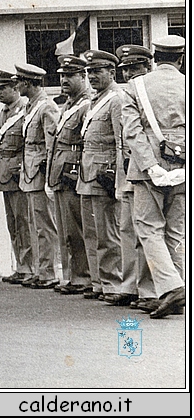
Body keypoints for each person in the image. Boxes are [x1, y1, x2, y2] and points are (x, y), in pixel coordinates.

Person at [119, 35, 186, 319]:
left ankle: (172, 286)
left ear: (155, 58)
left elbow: (132, 132)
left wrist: (150, 167)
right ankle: (179, 290)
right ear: (181, 58)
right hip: (185, 166)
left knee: (148, 228)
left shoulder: (135, 87)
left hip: (149, 166)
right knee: (176, 231)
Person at [78, 50, 128, 304]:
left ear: (112, 72)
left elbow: (122, 142)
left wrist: (119, 178)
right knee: (92, 232)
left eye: (97, 71)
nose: (92, 76)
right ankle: (99, 281)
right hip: (87, 173)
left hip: (103, 174)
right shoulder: (95, 100)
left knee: (108, 233)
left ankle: (114, 283)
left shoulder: (117, 99)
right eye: (89, 72)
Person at [114, 44, 158, 311]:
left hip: (146, 170)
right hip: (128, 172)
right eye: (126, 69)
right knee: (127, 232)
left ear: (147, 68)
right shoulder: (125, 96)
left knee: (147, 233)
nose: (130, 74)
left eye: (135, 68)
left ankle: (149, 290)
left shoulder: (150, 96)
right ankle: (130, 286)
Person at [47, 55, 93, 296]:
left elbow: (86, 141)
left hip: (73, 171)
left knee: (76, 228)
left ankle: (82, 276)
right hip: (60, 171)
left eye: (70, 75)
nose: (64, 80)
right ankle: (70, 275)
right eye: (62, 75)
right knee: (65, 228)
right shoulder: (68, 105)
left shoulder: (86, 104)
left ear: (83, 76)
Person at [15, 62, 60, 289]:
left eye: (19, 82)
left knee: (44, 225)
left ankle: (48, 272)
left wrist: (50, 178)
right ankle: (40, 269)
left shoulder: (46, 107)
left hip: (40, 173)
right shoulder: (30, 106)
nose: (16, 86)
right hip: (30, 173)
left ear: (28, 83)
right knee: (34, 223)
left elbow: (52, 145)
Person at [0, 69, 32, 285]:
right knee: (13, 223)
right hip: (5, 173)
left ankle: (29, 266)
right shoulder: (5, 112)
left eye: (3, 88)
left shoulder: (24, 111)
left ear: (15, 88)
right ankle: (20, 265)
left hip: (18, 172)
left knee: (23, 221)